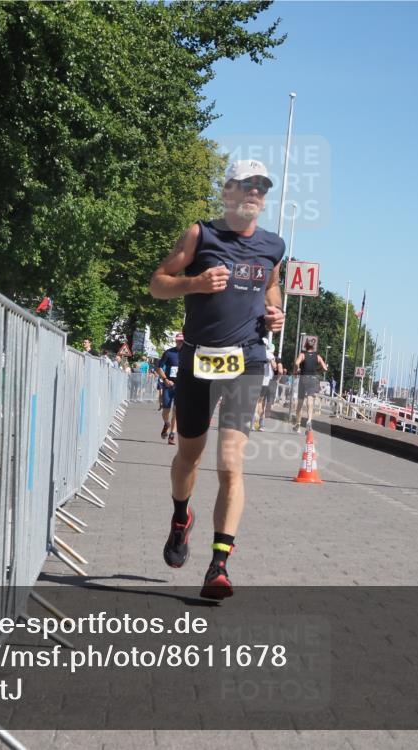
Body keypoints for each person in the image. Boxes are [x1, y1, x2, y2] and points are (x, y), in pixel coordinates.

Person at [148, 159, 285, 600]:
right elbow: (157, 283)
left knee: (231, 464)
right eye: (245, 186)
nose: (253, 194)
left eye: (261, 188)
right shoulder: (200, 235)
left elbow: (270, 289)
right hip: (199, 360)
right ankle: (180, 516)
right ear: (227, 192)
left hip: (247, 361)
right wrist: (195, 283)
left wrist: (275, 312)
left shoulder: (273, 246)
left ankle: (218, 566)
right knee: (189, 455)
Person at [293, 339, 328, 431]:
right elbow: (325, 368)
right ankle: (309, 420)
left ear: (306, 346)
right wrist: (318, 371)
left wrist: (297, 370)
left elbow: (296, 363)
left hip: (303, 378)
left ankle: (298, 424)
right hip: (313, 379)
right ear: (313, 347)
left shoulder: (303, 354)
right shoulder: (318, 357)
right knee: (310, 400)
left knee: (300, 402)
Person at [156, 333, 184, 445]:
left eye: (182, 341)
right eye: (178, 340)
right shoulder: (169, 353)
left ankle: (172, 435)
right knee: (166, 411)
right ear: (175, 341)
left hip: (181, 387)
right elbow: (158, 368)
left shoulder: (189, 354)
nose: (180, 342)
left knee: (177, 412)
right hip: (168, 385)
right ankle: (166, 423)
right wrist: (165, 379)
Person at [252, 341, 277, 430]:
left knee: (255, 401)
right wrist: (271, 361)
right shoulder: (270, 355)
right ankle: (258, 423)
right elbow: (275, 367)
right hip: (266, 381)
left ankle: (254, 422)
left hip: (256, 380)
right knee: (261, 402)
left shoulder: (256, 352)